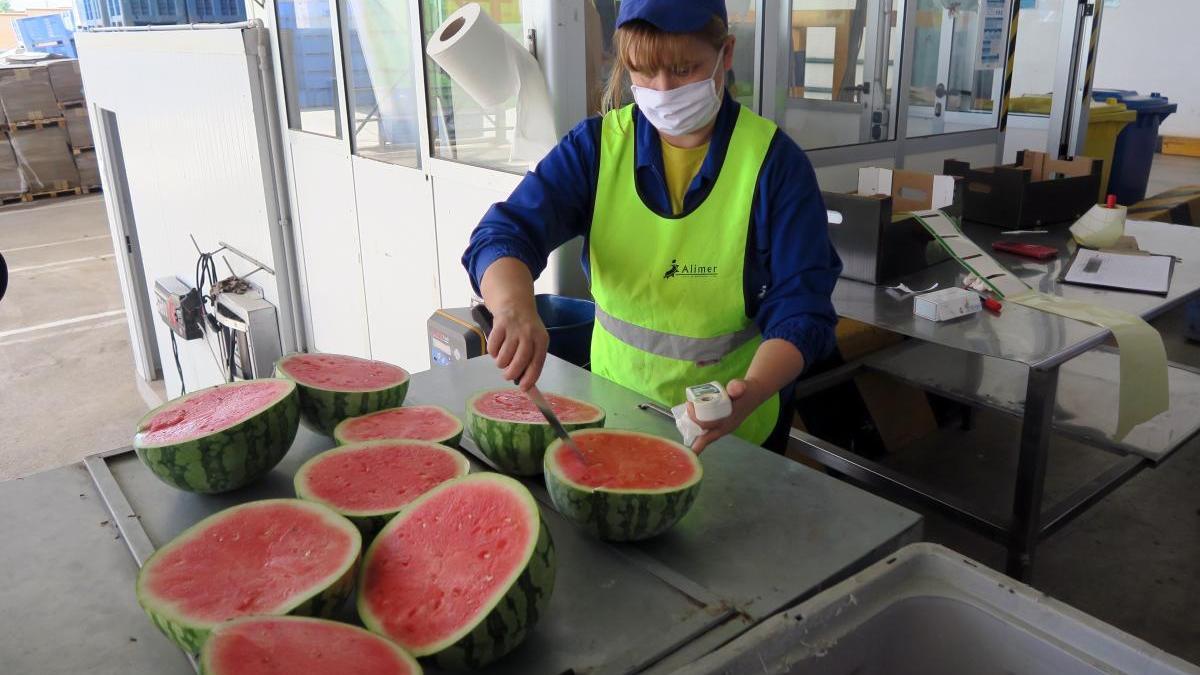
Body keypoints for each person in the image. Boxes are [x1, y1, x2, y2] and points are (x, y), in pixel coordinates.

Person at [462, 0, 841, 453]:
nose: (663, 90)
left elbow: (803, 309)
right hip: (614, 415)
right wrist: (512, 307)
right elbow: (505, 232)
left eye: (684, 69)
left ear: (727, 53)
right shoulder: (596, 150)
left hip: (734, 434)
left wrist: (752, 390)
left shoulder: (775, 166)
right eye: (642, 71)